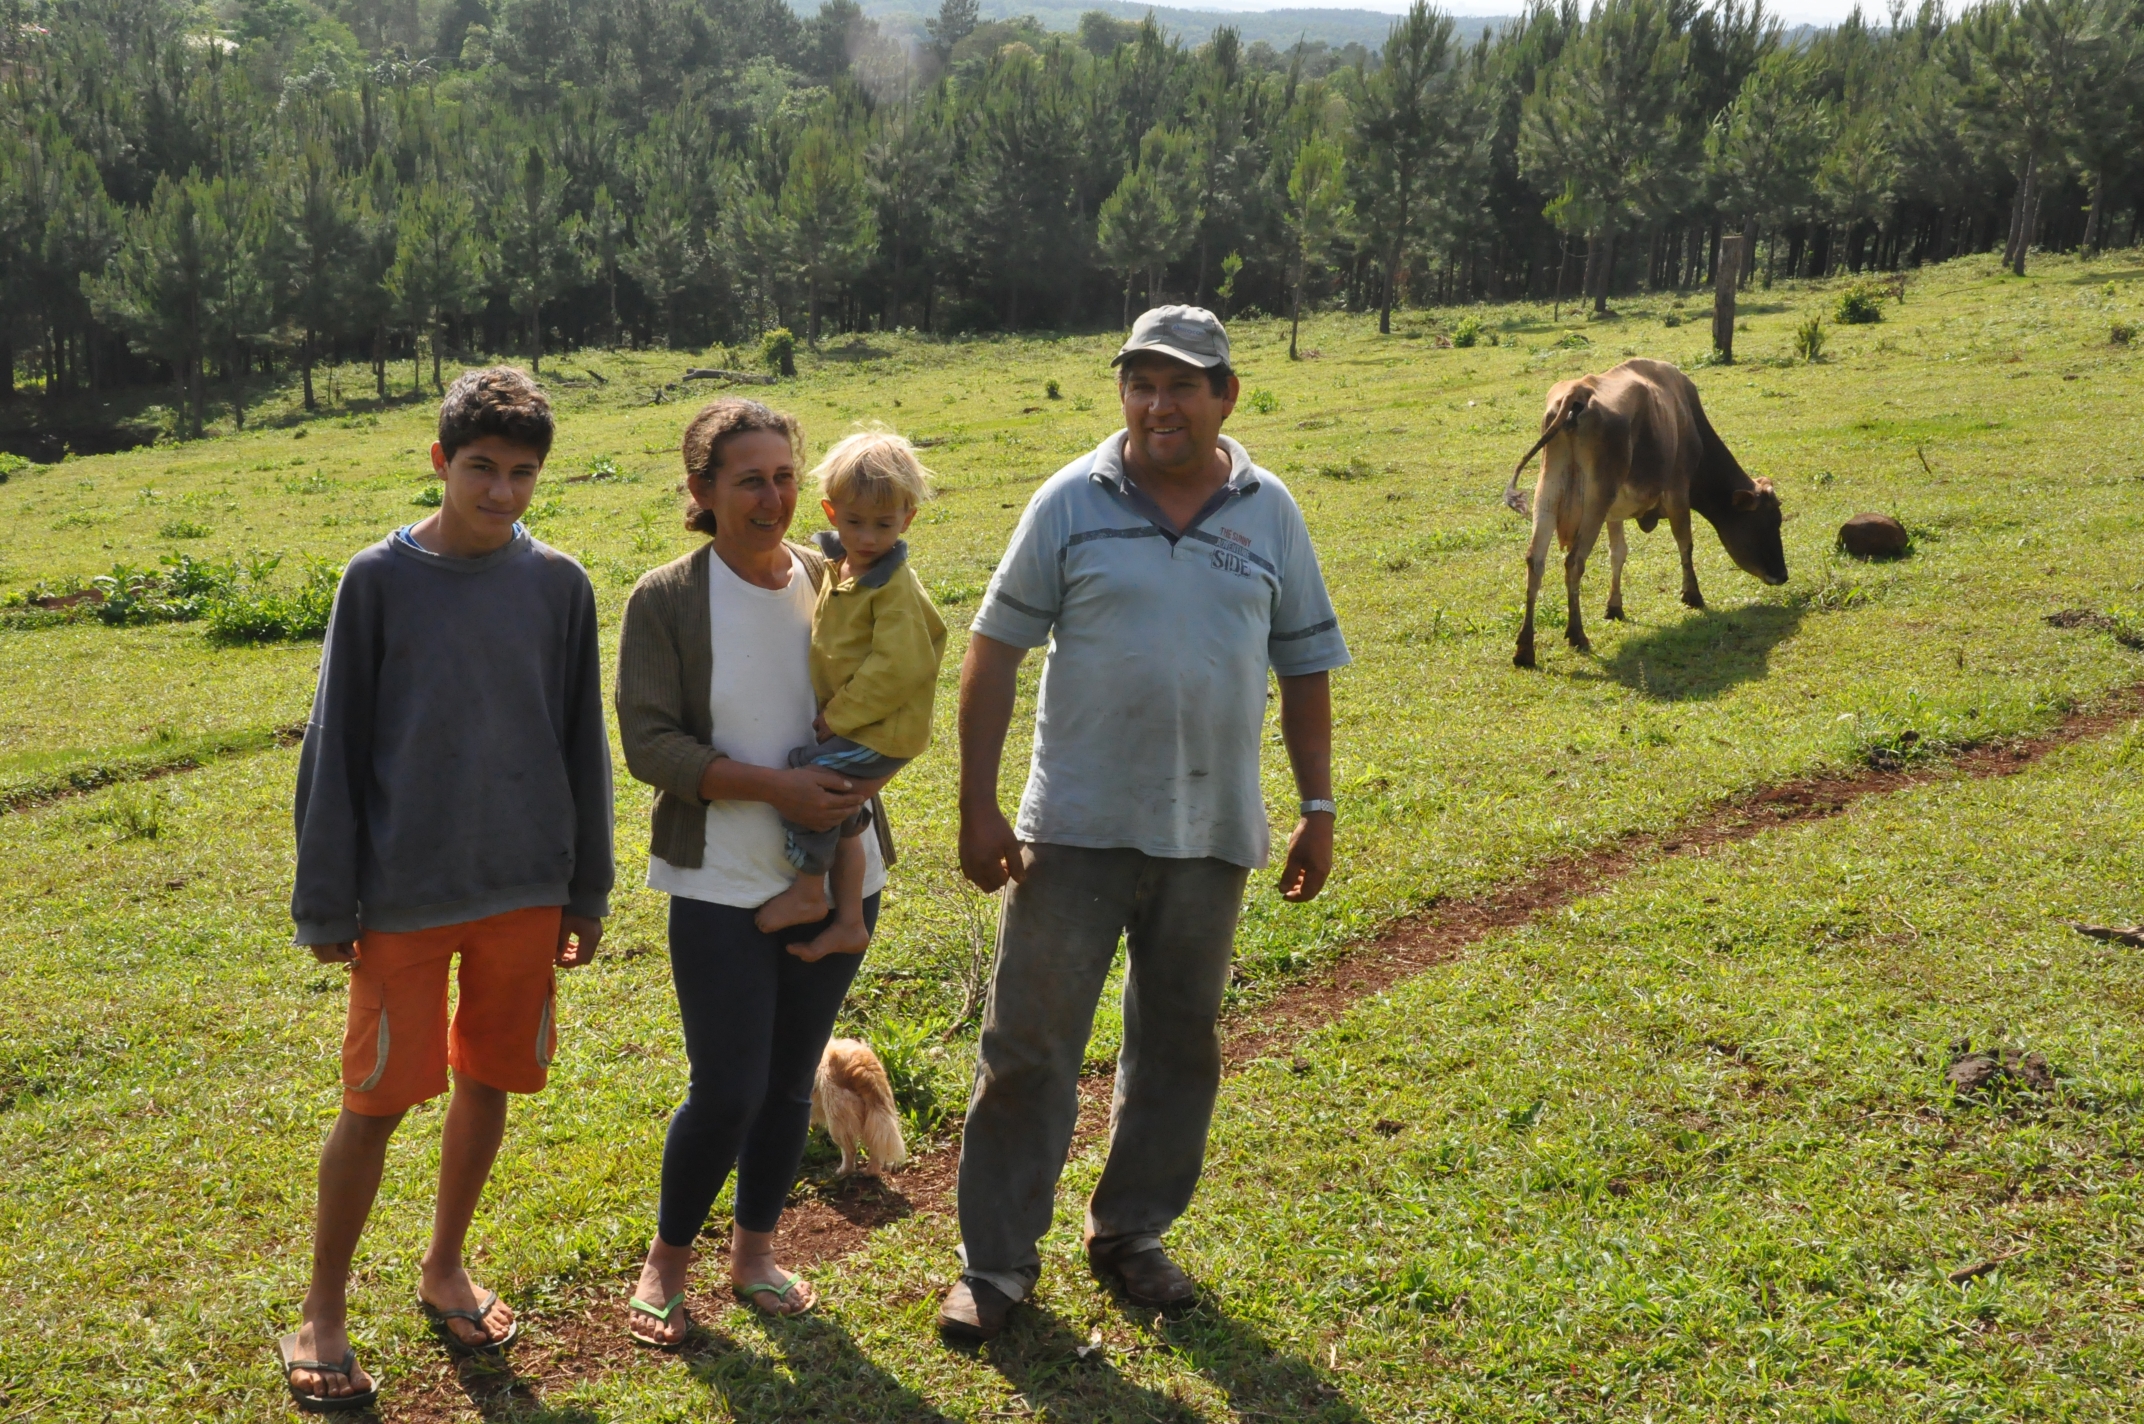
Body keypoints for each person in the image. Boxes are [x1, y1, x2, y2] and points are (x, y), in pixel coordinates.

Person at [938, 306, 1348, 1342]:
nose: (1158, 405)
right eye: (1140, 383)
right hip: (1072, 830)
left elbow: (1302, 665)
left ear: (1225, 396)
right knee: (1028, 1044)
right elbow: (991, 654)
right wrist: (978, 803)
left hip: (1209, 831)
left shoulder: (1270, 513)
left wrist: (1315, 806)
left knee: (1176, 1042)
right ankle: (993, 1263)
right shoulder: (1069, 502)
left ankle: (1129, 1231)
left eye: (1181, 384)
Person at [279, 368, 613, 1410]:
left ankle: (444, 1264)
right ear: (440, 461)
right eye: (481, 468)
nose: (501, 492)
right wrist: (328, 900)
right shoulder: (376, 581)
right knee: (374, 1103)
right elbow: (334, 746)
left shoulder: (559, 584)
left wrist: (586, 888)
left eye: (521, 474)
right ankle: (322, 1311)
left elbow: (579, 741)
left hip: (524, 885)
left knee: (491, 1078)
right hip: (405, 895)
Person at [614, 398, 897, 1346]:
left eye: (784, 476)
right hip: (719, 879)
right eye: (748, 479)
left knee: (786, 1084)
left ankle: (757, 1254)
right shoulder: (666, 598)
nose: (772, 497)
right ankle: (668, 1262)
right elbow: (650, 743)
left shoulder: (831, 579)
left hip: (842, 869)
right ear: (701, 491)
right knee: (726, 1086)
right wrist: (775, 788)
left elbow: (886, 689)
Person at [756, 428, 947, 935]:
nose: (867, 538)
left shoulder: (890, 587)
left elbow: (900, 667)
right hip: (868, 724)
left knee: (810, 782)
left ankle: (805, 892)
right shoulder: (842, 568)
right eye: (855, 522)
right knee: (844, 810)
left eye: (884, 525)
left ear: (908, 518)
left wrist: (836, 717)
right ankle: (849, 921)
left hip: (880, 729)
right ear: (831, 512)